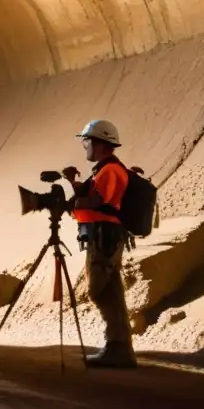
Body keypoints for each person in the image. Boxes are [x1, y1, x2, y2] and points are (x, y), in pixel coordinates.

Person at [63, 119, 136, 369]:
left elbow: (96, 201)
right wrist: (74, 186)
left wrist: (70, 203)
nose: (85, 146)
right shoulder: (104, 170)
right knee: (111, 290)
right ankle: (120, 346)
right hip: (101, 236)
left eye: (87, 141)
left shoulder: (110, 171)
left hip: (104, 237)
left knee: (100, 290)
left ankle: (117, 347)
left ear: (100, 143)